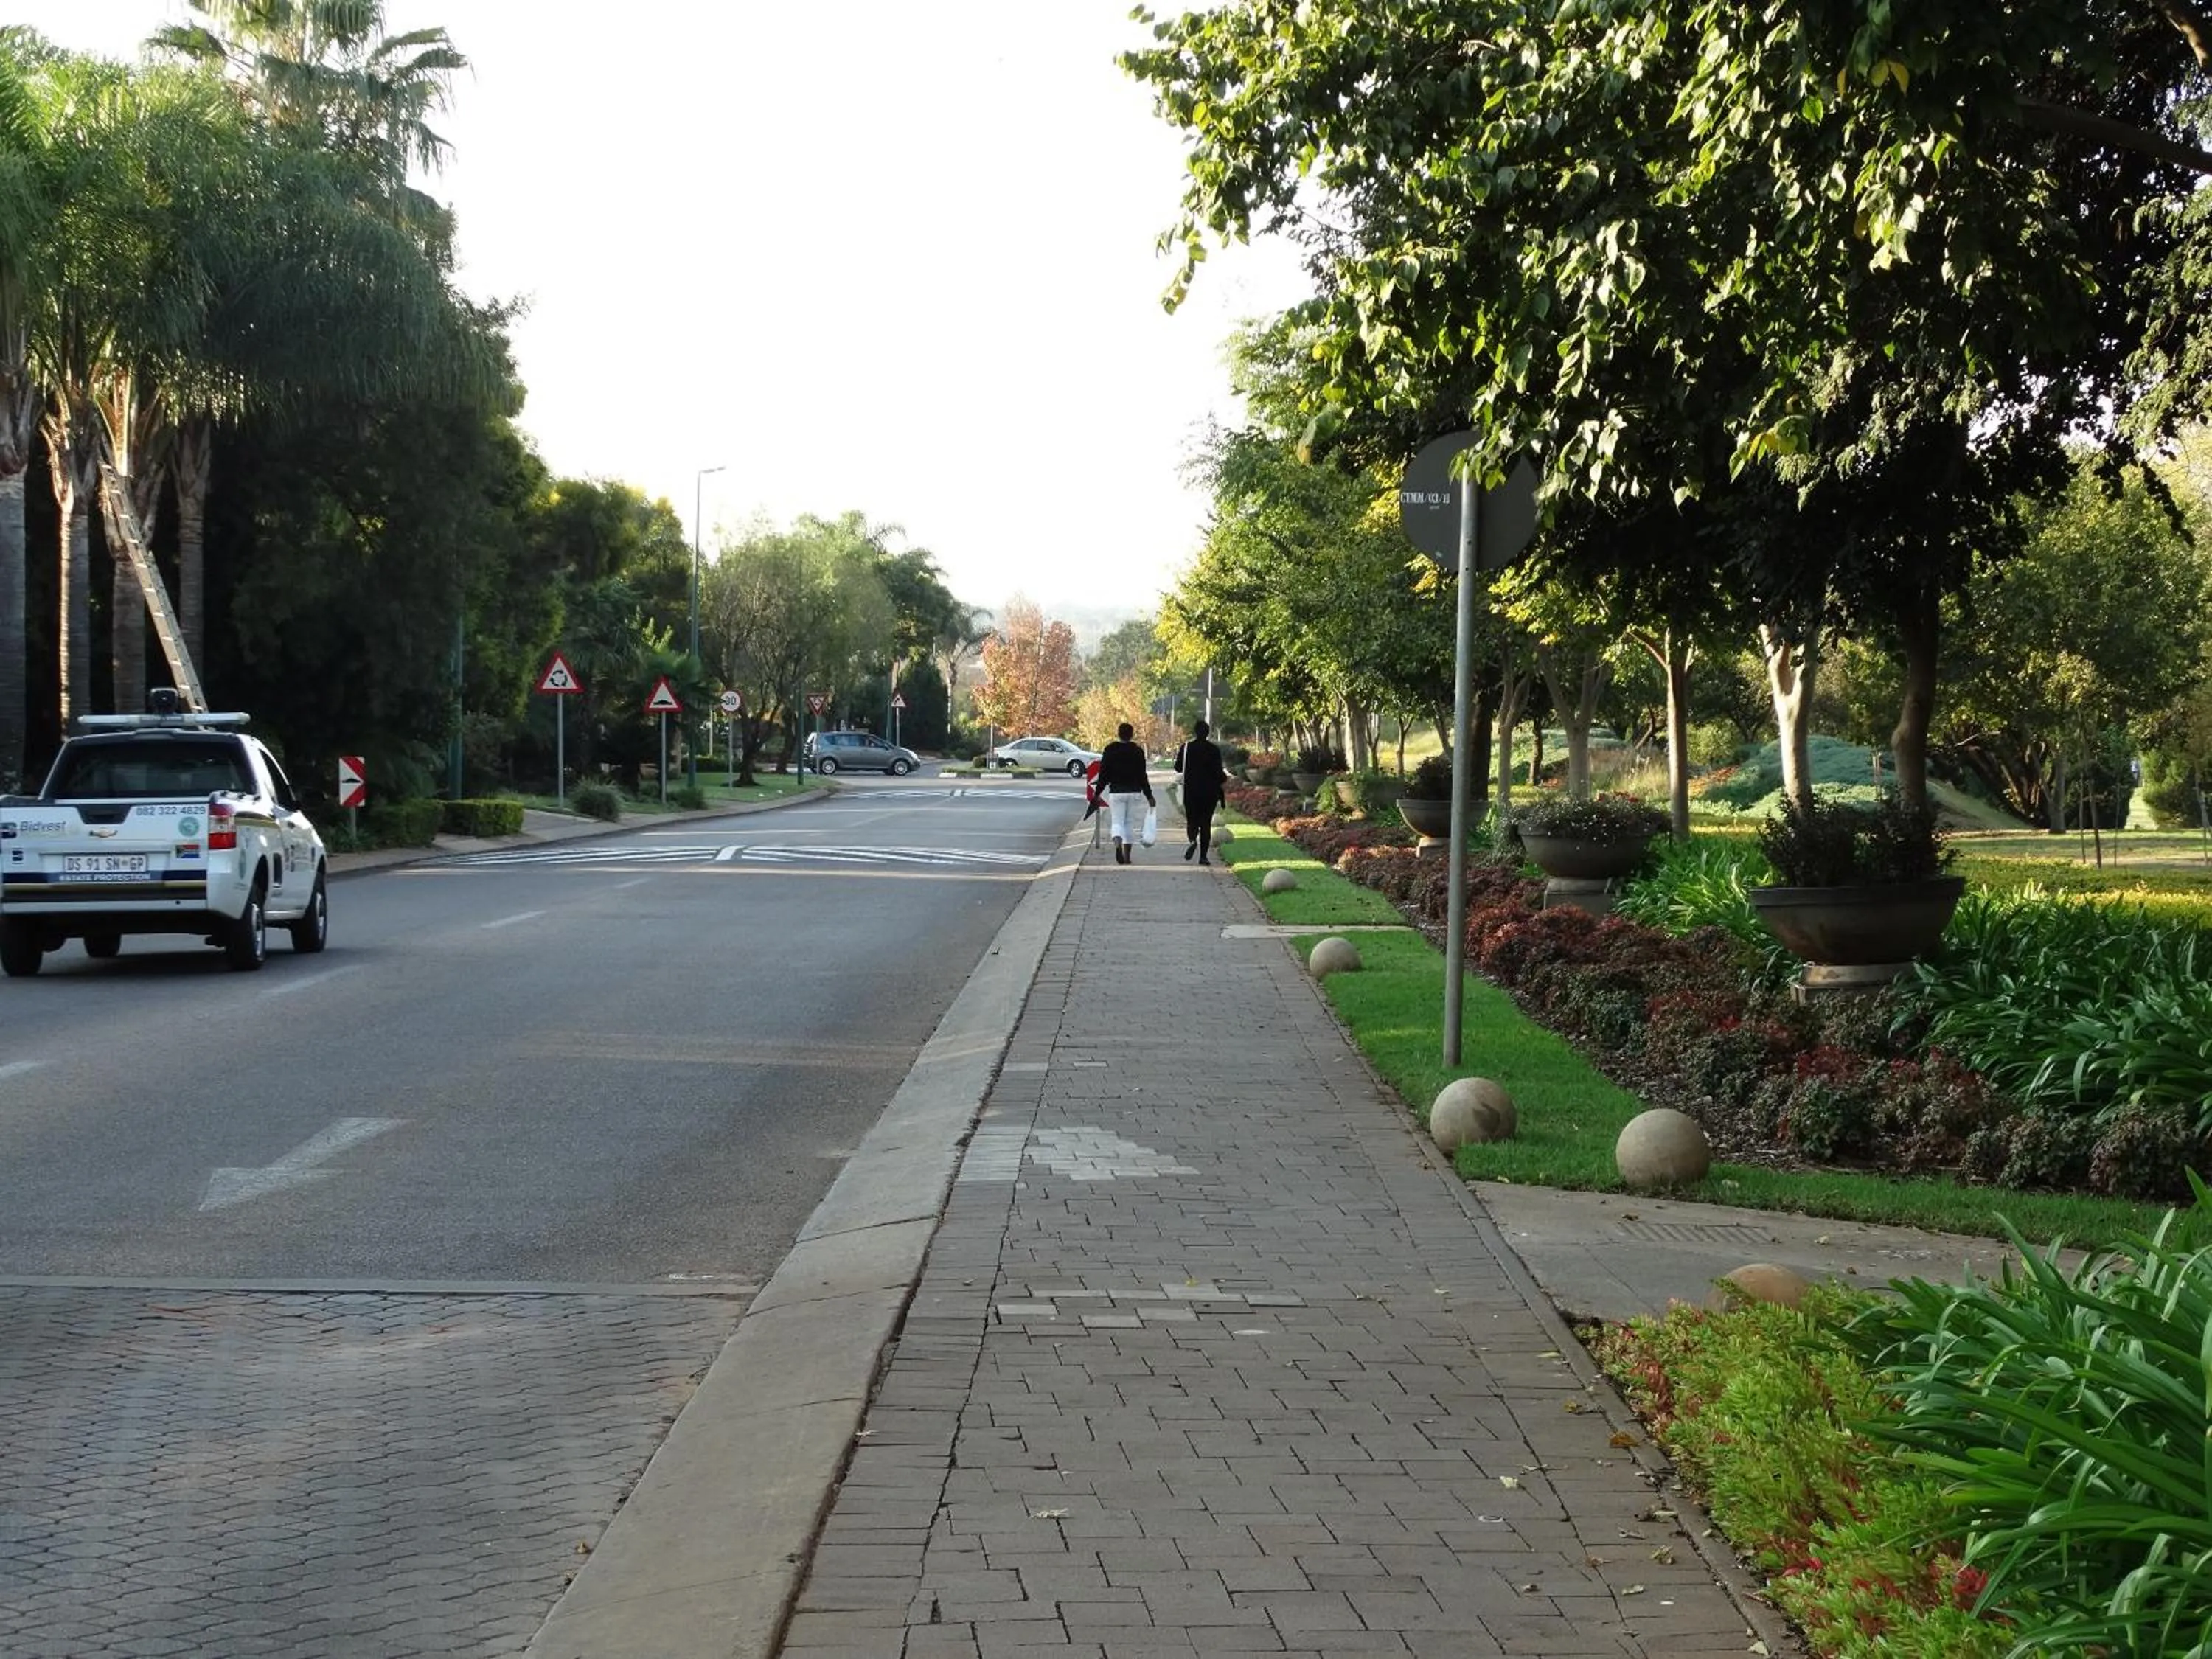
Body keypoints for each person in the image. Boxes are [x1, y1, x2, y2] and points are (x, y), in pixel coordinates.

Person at [1096, 722, 1154, 865]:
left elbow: (1103, 774)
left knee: (1117, 821)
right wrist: (1149, 796)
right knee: (1129, 823)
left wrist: (1098, 792)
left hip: (1116, 792)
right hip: (1134, 791)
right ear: (1132, 735)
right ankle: (1127, 857)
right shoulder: (1138, 752)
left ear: (1118, 734)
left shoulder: (1110, 751)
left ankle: (1117, 844)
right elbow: (1143, 776)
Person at [1174, 719, 1228, 865]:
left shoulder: (1186, 748)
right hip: (1210, 793)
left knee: (1192, 820)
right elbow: (1219, 773)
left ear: (1195, 732)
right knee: (1206, 823)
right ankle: (1203, 856)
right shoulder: (1214, 750)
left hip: (1191, 791)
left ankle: (1192, 840)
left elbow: (1178, 768)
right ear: (1208, 733)